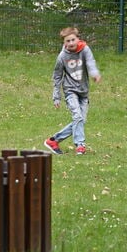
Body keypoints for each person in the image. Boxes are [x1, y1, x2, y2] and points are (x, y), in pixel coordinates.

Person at [44, 27, 101, 156]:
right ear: (64, 43)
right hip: (70, 91)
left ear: (78, 39)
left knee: (80, 120)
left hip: (84, 92)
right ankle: (80, 145)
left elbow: (91, 62)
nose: (70, 43)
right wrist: (56, 96)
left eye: (73, 40)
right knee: (77, 117)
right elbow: (57, 76)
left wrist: (94, 73)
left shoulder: (85, 50)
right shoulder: (62, 57)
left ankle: (53, 140)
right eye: (67, 41)